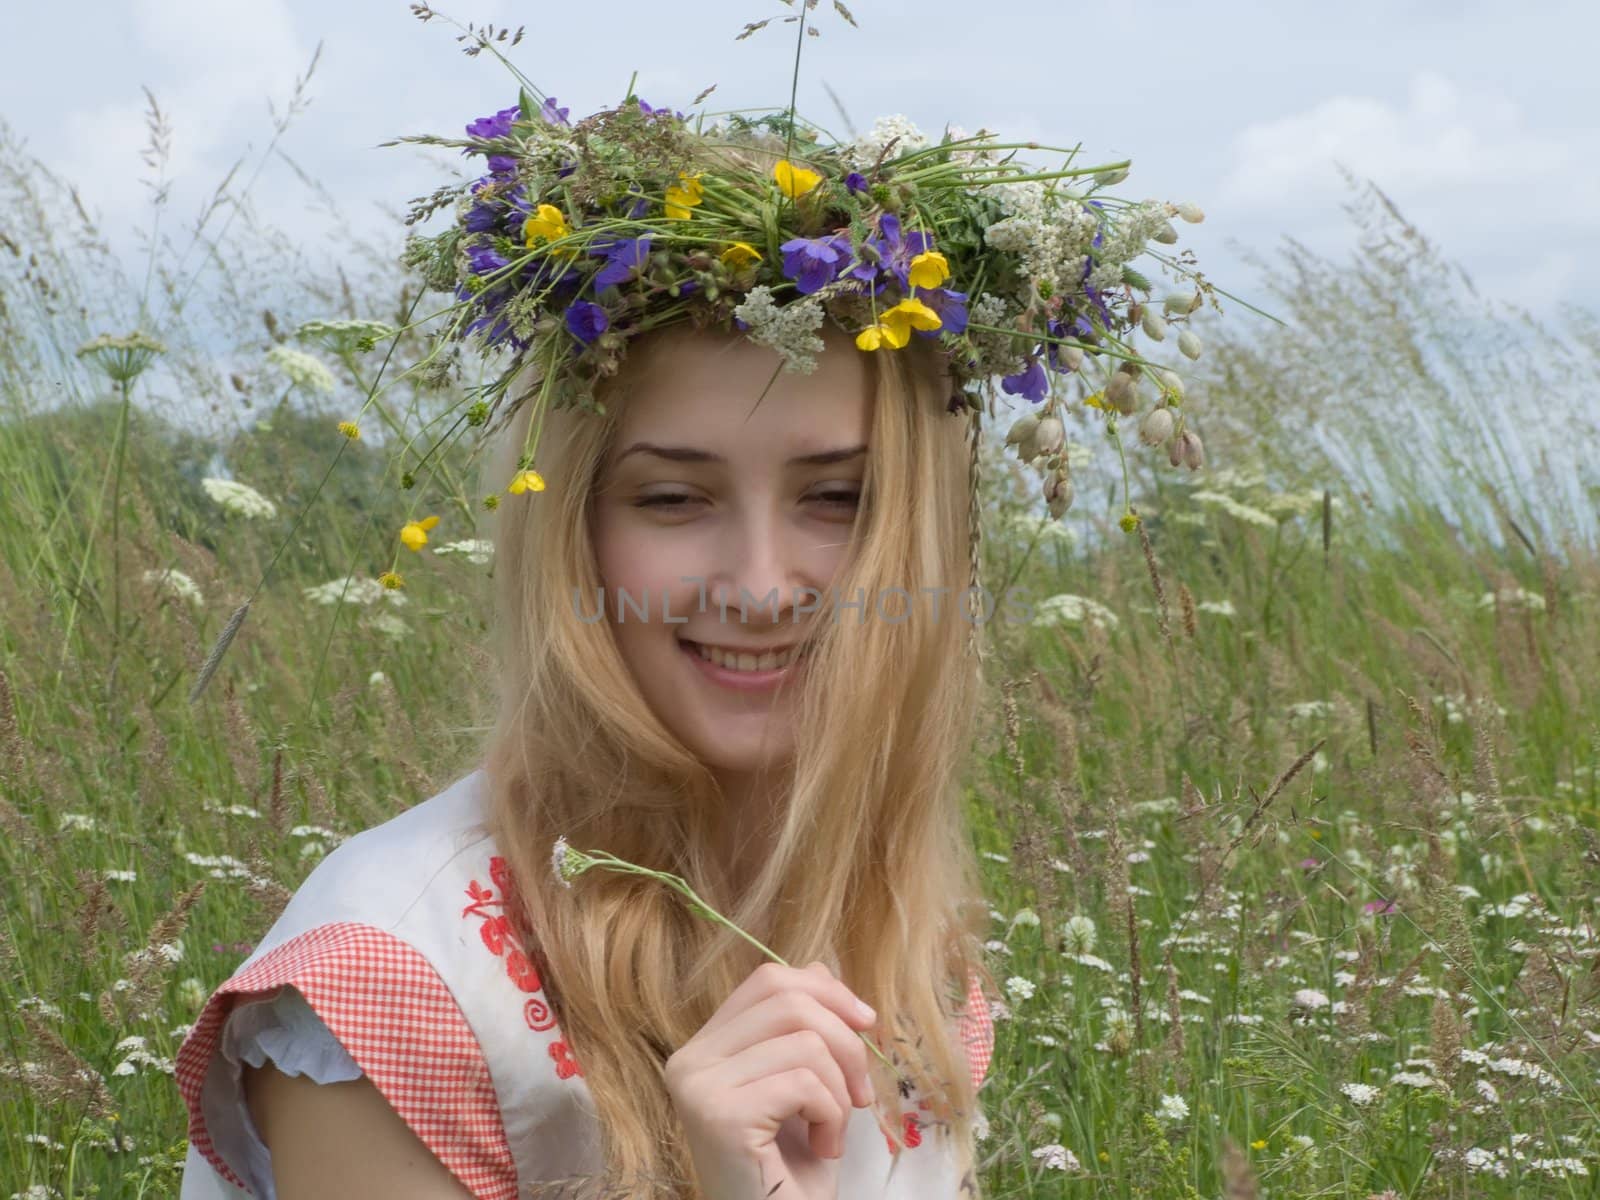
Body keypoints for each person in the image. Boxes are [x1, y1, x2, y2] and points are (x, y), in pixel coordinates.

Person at [173, 317, 999, 1199]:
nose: (759, 589)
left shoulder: (898, 927)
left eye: (838, 498)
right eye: (674, 498)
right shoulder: (402, 983)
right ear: (572, 531)